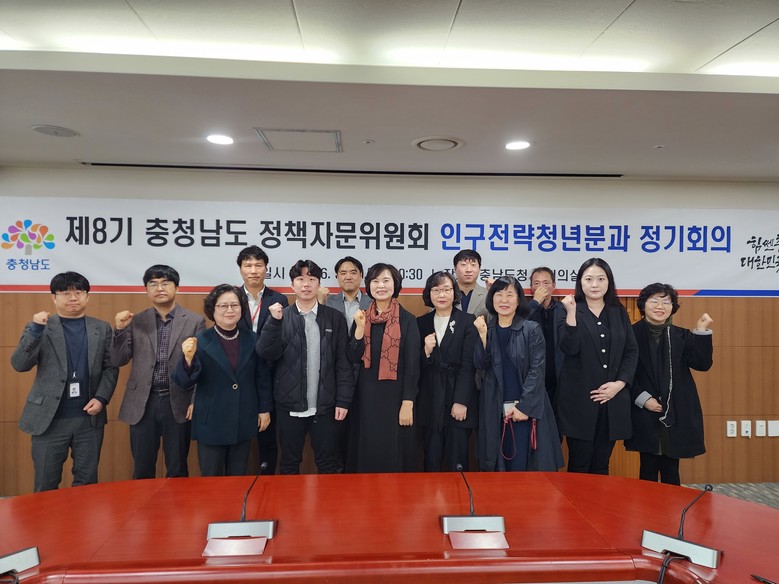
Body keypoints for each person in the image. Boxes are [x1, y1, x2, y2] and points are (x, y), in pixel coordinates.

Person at [11, 271, 118, 492]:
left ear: (87, 296)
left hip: (88, 419)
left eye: (79, 292)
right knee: (46, 484)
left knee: (86, 484)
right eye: (66, 293)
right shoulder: (40, 327)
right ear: (54, 297)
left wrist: (101, 398)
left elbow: (110, 367)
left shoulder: (101, 328)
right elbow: (20, 364)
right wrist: (36, 330)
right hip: (49, 419)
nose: (73, 297)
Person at [256, 260, 355, 474]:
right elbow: (265, 354)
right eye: (300, 279)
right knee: (289, 463)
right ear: (292, 285)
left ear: (319, 284)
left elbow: (343, 363)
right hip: (288, 405)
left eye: (311, 279)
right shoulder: (280, 316)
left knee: (328, 463)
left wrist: (343, 400)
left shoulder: (334, 318)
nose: (306, 284)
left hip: (325, 406)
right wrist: (274, 322)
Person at [110, 265, 206, 479]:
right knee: (142, 469)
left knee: (178, 468)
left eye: (165, 283)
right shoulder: (135, 321)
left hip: (178, 401)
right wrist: (119, 329)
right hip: (143, 403)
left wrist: (195, 400)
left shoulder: (194, 321)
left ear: (177, 288)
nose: (159, 288)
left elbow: (200, 366)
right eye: (153, 284)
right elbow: (118, 360)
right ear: (146, 290)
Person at [173, 284, 272, 476]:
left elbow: (262, 377)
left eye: (234, 305)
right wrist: (188, 360)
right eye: (223, 306)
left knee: (238, 479)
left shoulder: (252, 339)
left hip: (243, 417)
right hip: (211, 421)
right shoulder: (200, 340)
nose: (229, 310)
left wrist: (264, 409)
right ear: (213, 309)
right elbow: (183, 382)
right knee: (211, 481)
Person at [556, 258, 638, 475]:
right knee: (580, 463)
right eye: (589, 279)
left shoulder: (618, 312)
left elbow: (631, 351)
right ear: (580, 282)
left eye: (601, 279)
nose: (595, 284)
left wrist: (619, 384)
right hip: (579, 401)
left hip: (612, 400)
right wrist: (571, 314)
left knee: (602, 464)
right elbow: (568, 348)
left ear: (609, 282)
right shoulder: (566, 309)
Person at [625, 283, 713, 485]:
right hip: (644, 409)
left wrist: (701, 331)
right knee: (647, 466)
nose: (660, 306)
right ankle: (648, 505)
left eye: (666, 302)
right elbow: (623, 372)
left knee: (671, 468)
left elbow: (702, 364)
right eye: (654, 301)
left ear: (673, 307)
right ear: (643, 304)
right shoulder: (630, 334)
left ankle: (672, 506)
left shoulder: (682, 335)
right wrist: (643, 399)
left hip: (675, 409)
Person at [473, 276, 563, 472]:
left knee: (522, 463)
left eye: (509, 295)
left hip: (524, 409)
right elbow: (480, 364)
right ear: (491, 298)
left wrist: (525, 406)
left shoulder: (530, 329)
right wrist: (482, 336)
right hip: (494, 406)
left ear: (519, 299)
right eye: (499, 294)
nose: (504, 300)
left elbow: (537, 370)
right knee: (496, 463)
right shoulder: (487, 329)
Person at [346, 263, 421, 473]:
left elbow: (413, 366)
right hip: (366, 398)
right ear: (368, 286)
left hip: (395, 398)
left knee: (393, 452)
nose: (381, 286)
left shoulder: (407, 320)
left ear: (395, 284)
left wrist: (408, 402)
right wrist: (360, 328)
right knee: (367, 451)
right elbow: (352, 356)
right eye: (375, 281)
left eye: (386, 281)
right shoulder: (362, 316)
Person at [416, 271, 478, 471]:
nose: (441, 295)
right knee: (431, 460)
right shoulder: (421, 322)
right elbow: (414, 366)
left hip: (456, 398)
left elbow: (469, 366)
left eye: (446, 290)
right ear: (429, 293)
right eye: (436, 290)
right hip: (430, 399)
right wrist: (425, 351)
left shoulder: (467, 321)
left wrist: (461, 401)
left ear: (454, 292)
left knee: (456, 461)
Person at [235, 245, 288, 474]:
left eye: (258, 265)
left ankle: (268, 481)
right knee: (238, 437)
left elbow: (282, 337)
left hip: (270, 372)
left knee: (268, 437)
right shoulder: (231, 297)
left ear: (266, 268)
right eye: (248, 265)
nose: (253, 270)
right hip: (239, 373)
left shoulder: (279, 299)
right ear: (240, 269)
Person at [526, 267, 565, 410]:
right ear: (531, 287)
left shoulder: (563, 309)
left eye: (546, 283)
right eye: (536, 283)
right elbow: (519, 324)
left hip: (559, 374)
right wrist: (536, 302)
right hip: (533, 375)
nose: (541, 287)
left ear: (554, 286)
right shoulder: (526, 309)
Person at [319, 256, 371, 330]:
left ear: (361, 275)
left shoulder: (372, 303)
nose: (348, 277)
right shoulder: (328, 302)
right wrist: (320, 302)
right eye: (343, 273)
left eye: (353, 273)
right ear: (337, 277)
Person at [453, 250, 488, 319]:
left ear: (479, 269)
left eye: (473, 265)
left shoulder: (487, 295)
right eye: (463, 265)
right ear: (455, 268)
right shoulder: (446, 293)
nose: (468, 270)